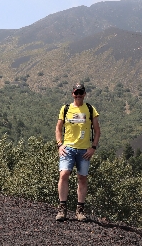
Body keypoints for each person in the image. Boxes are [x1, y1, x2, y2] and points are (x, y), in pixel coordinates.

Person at [55, 83, 100, 221]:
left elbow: (97, 131)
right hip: (68, 148)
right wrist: (59, 145)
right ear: (72, 94)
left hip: (84, 150)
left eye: (81, 92)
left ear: (85, 94)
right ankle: (62, 209)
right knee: (64, 175)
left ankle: (80, 210)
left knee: (82, 178)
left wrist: (93, 147)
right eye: (76, 92)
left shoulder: (90, 109)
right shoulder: (66, 109)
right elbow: (58, 128)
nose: (79, 95)